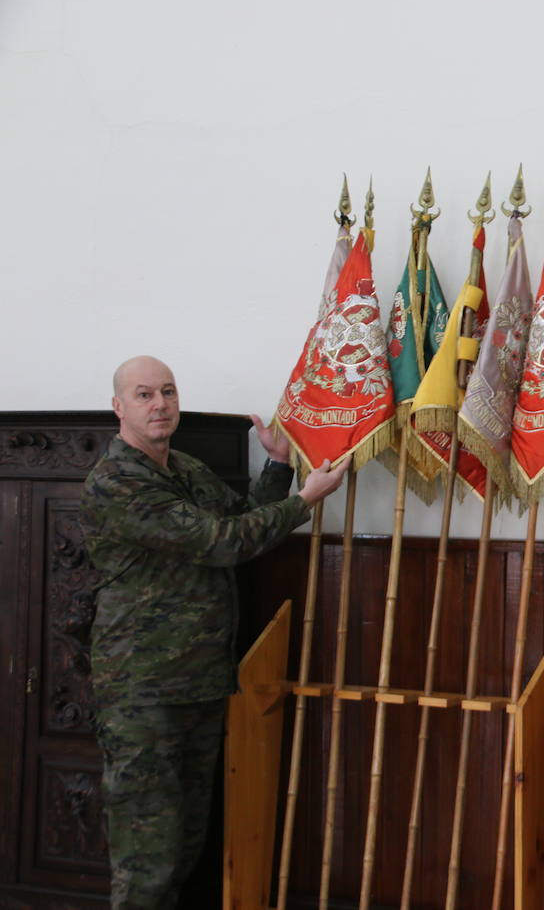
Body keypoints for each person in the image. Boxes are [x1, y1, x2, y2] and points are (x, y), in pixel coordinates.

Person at [80, 355, 349, 909]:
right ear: (119, 408)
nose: (160, 404)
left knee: (186, 844)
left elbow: (244, 520)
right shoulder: (116, 481)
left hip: (199, 680)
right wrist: (305, 500)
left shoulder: (185, 468)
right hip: (142, 690)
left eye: (168, 392)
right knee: (146, 855)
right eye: (144, 394)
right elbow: (220, 542)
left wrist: (277, 468)